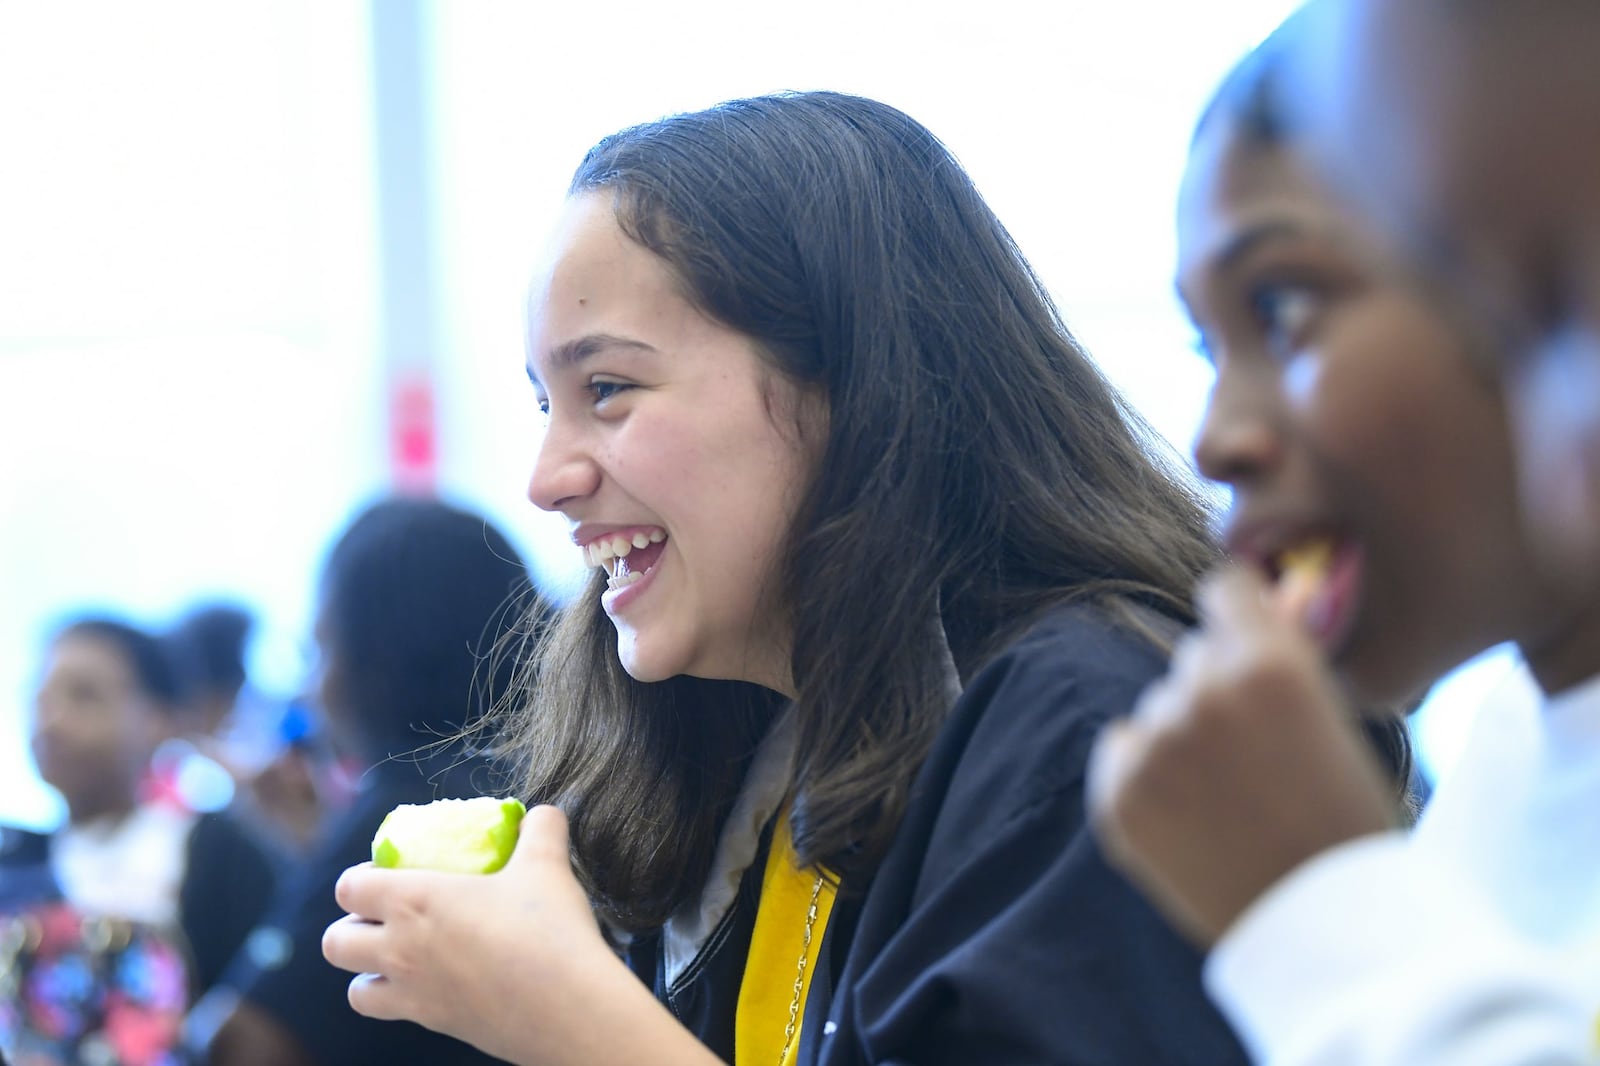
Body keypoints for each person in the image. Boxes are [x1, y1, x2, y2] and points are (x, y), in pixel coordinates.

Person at [321, 89, 1328, 1066]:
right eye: (547, 402)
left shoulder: (1092, 727)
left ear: (855, 382)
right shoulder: (746, 742)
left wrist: (578, 1029)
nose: (548, 479)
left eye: (609, 389)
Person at [1085, 19, 1600, 1065]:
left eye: (1281, 307)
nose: (1214, 439)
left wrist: (1313, 901)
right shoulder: (1510, 769)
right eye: (1207, 345)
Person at [198, 496, 538, 1066]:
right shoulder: (560, 780)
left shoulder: (405, 809)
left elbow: (239, 1044)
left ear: (374, 657)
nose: (312, 690)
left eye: (319, 650)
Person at [1, 615, 280, 1064]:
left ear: (160, 721)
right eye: (41, 697)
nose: (51, 720)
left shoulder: (215, 850)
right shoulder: (13, 858)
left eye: (83, 696)